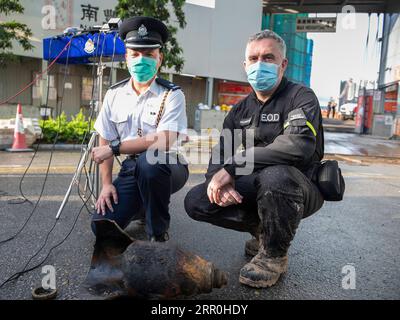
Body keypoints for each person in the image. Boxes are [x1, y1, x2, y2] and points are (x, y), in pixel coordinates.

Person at [184, 30, 325, 288]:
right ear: (245, 65)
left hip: (300, 187)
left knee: (276, 174)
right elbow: (221, 154)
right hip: (259, 186)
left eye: (268, 57)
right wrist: (217, 182)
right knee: (197, 200)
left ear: (283, 64)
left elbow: (298, 145)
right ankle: (265, 233)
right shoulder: (239, 110)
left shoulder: (301, 97)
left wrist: (236, 165)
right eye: (254, 58)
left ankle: (273, 256)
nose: (260, 64)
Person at [91, 16, 189, 242]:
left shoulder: (172, 95)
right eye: (134, 54)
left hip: (168, 165)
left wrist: (116, 148)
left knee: (150, 164)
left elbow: (163, 140)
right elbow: (104, 139)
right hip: (132, 167)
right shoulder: (114, 95)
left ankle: (157, 233)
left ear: (159, 58)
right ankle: (141, 205)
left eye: (148, 54)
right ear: (126, 57)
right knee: (101, 226)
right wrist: (106, 185)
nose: (140, 59)